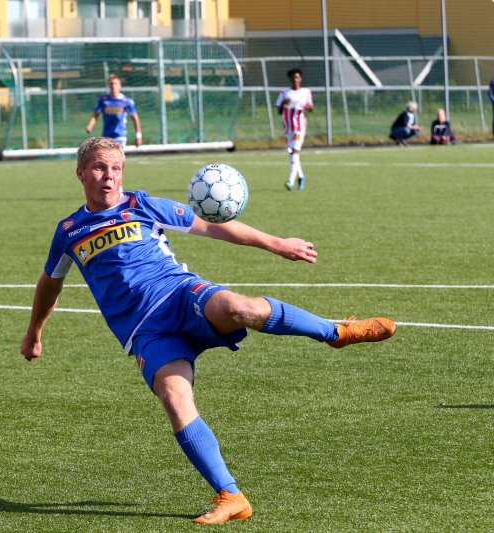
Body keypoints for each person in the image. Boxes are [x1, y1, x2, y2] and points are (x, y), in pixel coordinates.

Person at [20, 137, 396, 524]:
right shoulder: (68, 231)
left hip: (180, 295)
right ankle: (231, 496)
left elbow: (211, 228)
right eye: (100, 168)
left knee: (240, 307)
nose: (109, 176)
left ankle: (335, 332)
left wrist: (276, 243)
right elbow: (51, 282)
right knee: (175, 399)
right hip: (145, 333)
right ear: (81, 172)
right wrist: (34, 332)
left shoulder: (141, 205)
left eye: (115, 169)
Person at [275, 68, 313, 191]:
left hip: (299, 127)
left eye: (297, 77)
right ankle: (301, 176)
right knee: (292, 152)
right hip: (288, 127)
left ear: (300, 78)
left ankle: (290, 181)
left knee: (295, 151)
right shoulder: (285, 93)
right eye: (293, 77)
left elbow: (311, 108)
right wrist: (284, 103)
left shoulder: (305, 92)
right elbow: (279, 111)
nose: (295, 79)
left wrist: (307, 106)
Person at [85, 74, 143, 148]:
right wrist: (90, 125)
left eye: (115, 84)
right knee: (106, 158)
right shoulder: (103, 100)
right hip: (106, 136)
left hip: (120, 135)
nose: (113, 86)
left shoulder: (126, 101)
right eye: (111, 84)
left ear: (120, 86)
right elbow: (95, 114)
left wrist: (138, 136)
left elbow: (135, 119)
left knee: (117, 158)